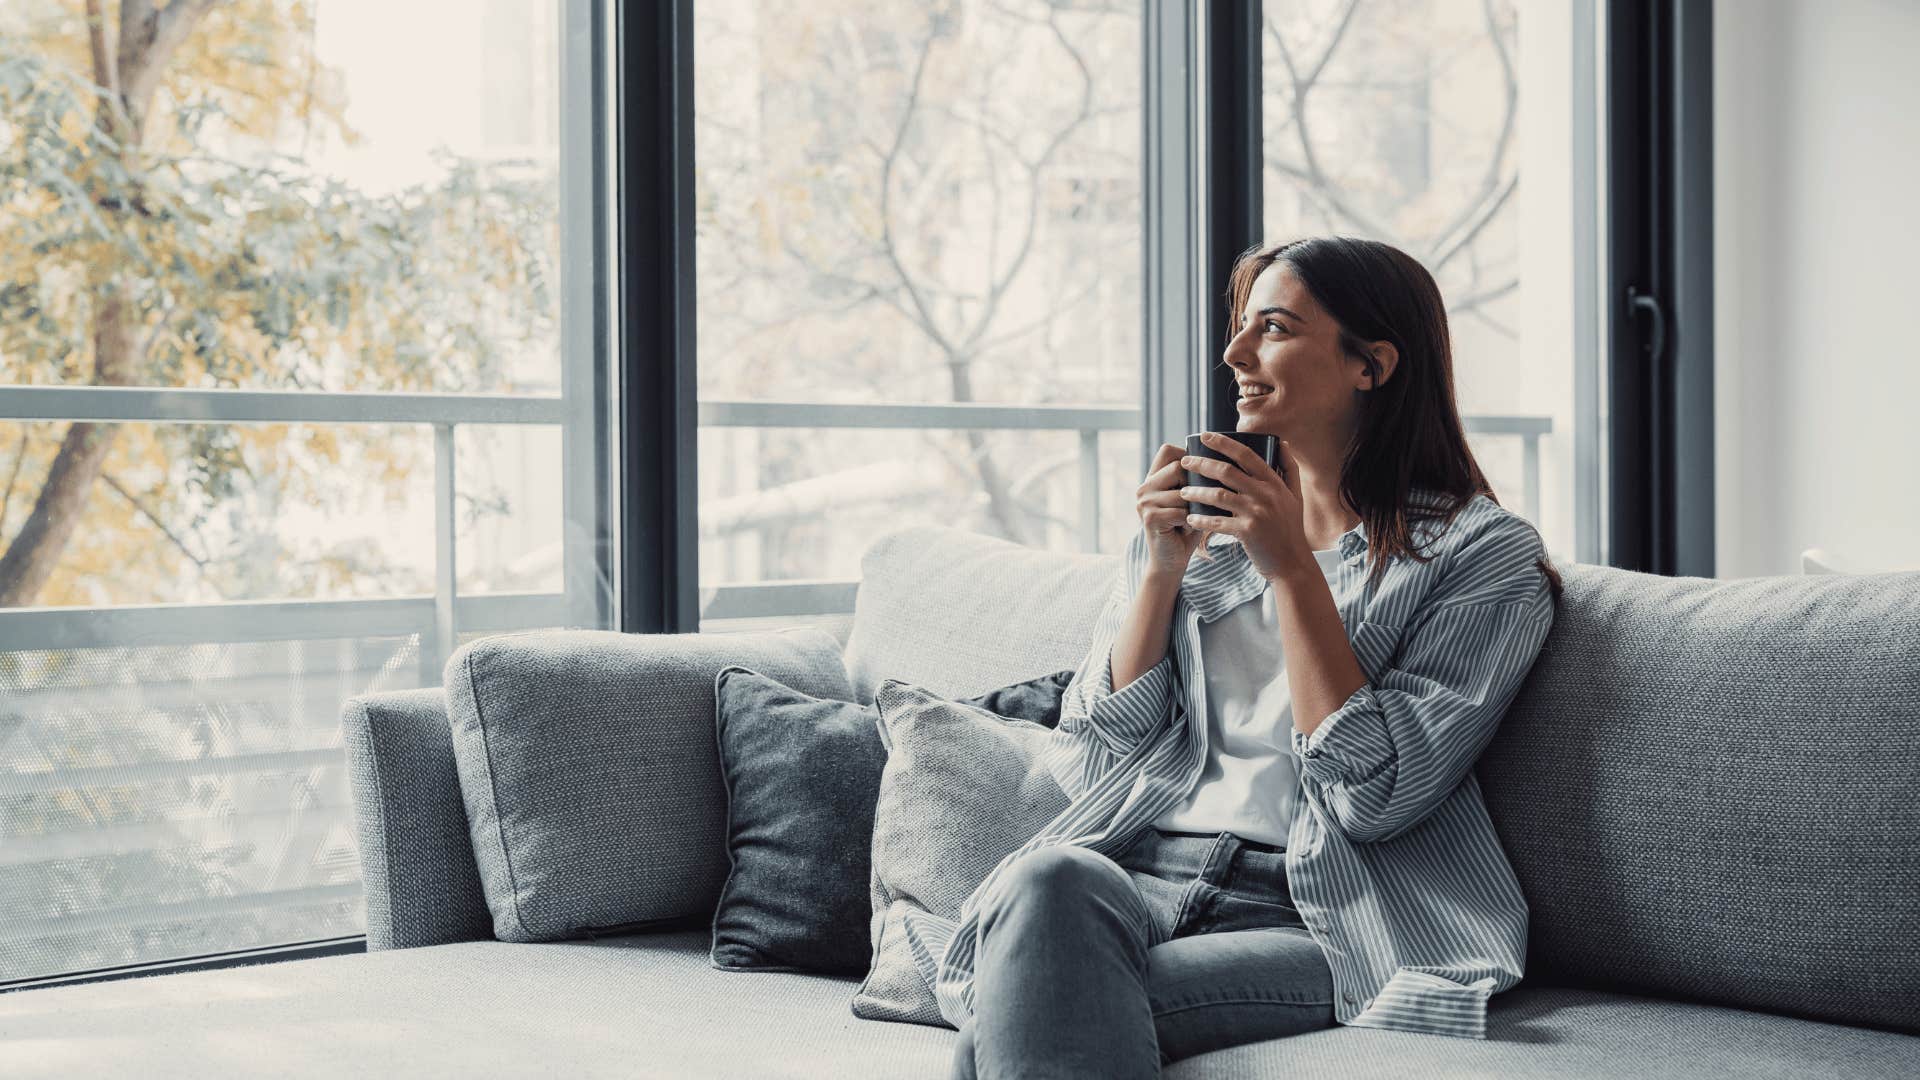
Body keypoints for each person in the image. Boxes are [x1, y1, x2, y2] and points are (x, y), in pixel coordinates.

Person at [941, 236, 1565, 1078]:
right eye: (1242, 328)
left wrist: (1293, 569)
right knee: (1048, 882)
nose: (1234, 353)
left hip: (1314, 909)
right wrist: (1160, 572)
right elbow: (1090, 766)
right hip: (1133, 874)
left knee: (1010, 1021)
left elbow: (1374, 795)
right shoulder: (1204, 533)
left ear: (1371, 365)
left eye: (1272, 328)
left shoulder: (1479, 557)